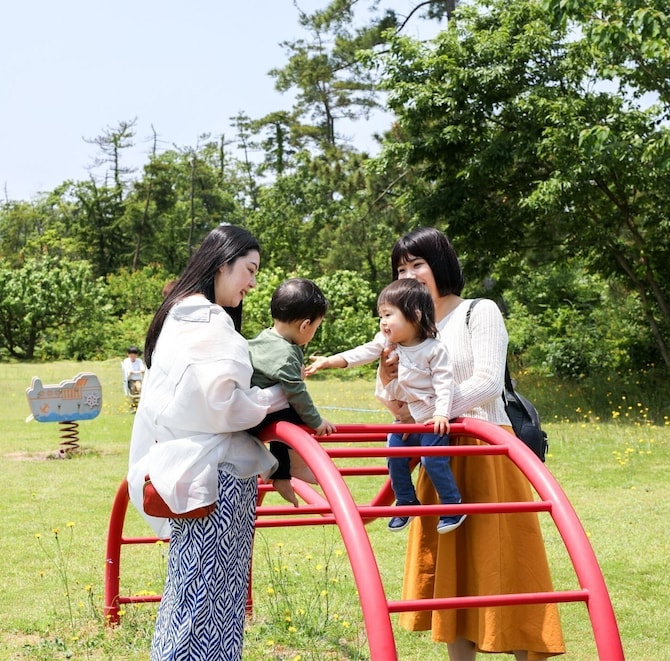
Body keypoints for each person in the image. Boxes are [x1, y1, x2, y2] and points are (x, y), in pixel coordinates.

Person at [382, 227, 565, 660]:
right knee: (452, 574)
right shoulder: (407, 329)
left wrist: (435, 409)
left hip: (485, 450)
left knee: (506, 563)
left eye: (417, 265)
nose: (410, 275)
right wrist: (392, 387)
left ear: (440, 264)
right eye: (401, 269)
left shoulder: (477, 313)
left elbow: (485, 382)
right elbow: (401, 409)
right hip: (439, 453)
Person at [126, 224, 290, 661]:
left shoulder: (177, 315)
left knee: (191, 594)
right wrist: (276, 397)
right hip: (216, 477)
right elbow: (223, 404)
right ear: (223, 263)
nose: (253, 283)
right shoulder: (208, 320)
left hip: (186, 472)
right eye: (249, 270)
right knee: (210, 600)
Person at [306, 278, 463, 534]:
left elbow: (445, 383)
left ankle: (452, 505)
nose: (383, 321)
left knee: (432, 460)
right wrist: (329, 361)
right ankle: (406, 501)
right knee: (394, 452)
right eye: (381, 315)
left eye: (389, 314)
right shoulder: (388, 343)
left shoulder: (434, 349)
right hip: (406, 420)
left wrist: (441, 414)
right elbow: (361, 353)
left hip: (431, 419)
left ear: (415, 315)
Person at [247, 278, 335, 505]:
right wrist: (316, 422)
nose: (313, 333)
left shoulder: (264, 338)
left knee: (288, 415)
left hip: (253, 411)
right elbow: (297, 393)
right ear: (305, 325)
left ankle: (282, 474)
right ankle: (293, 466)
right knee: (295, 413)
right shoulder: (285, 354)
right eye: (315, 328)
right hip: (255, 414)